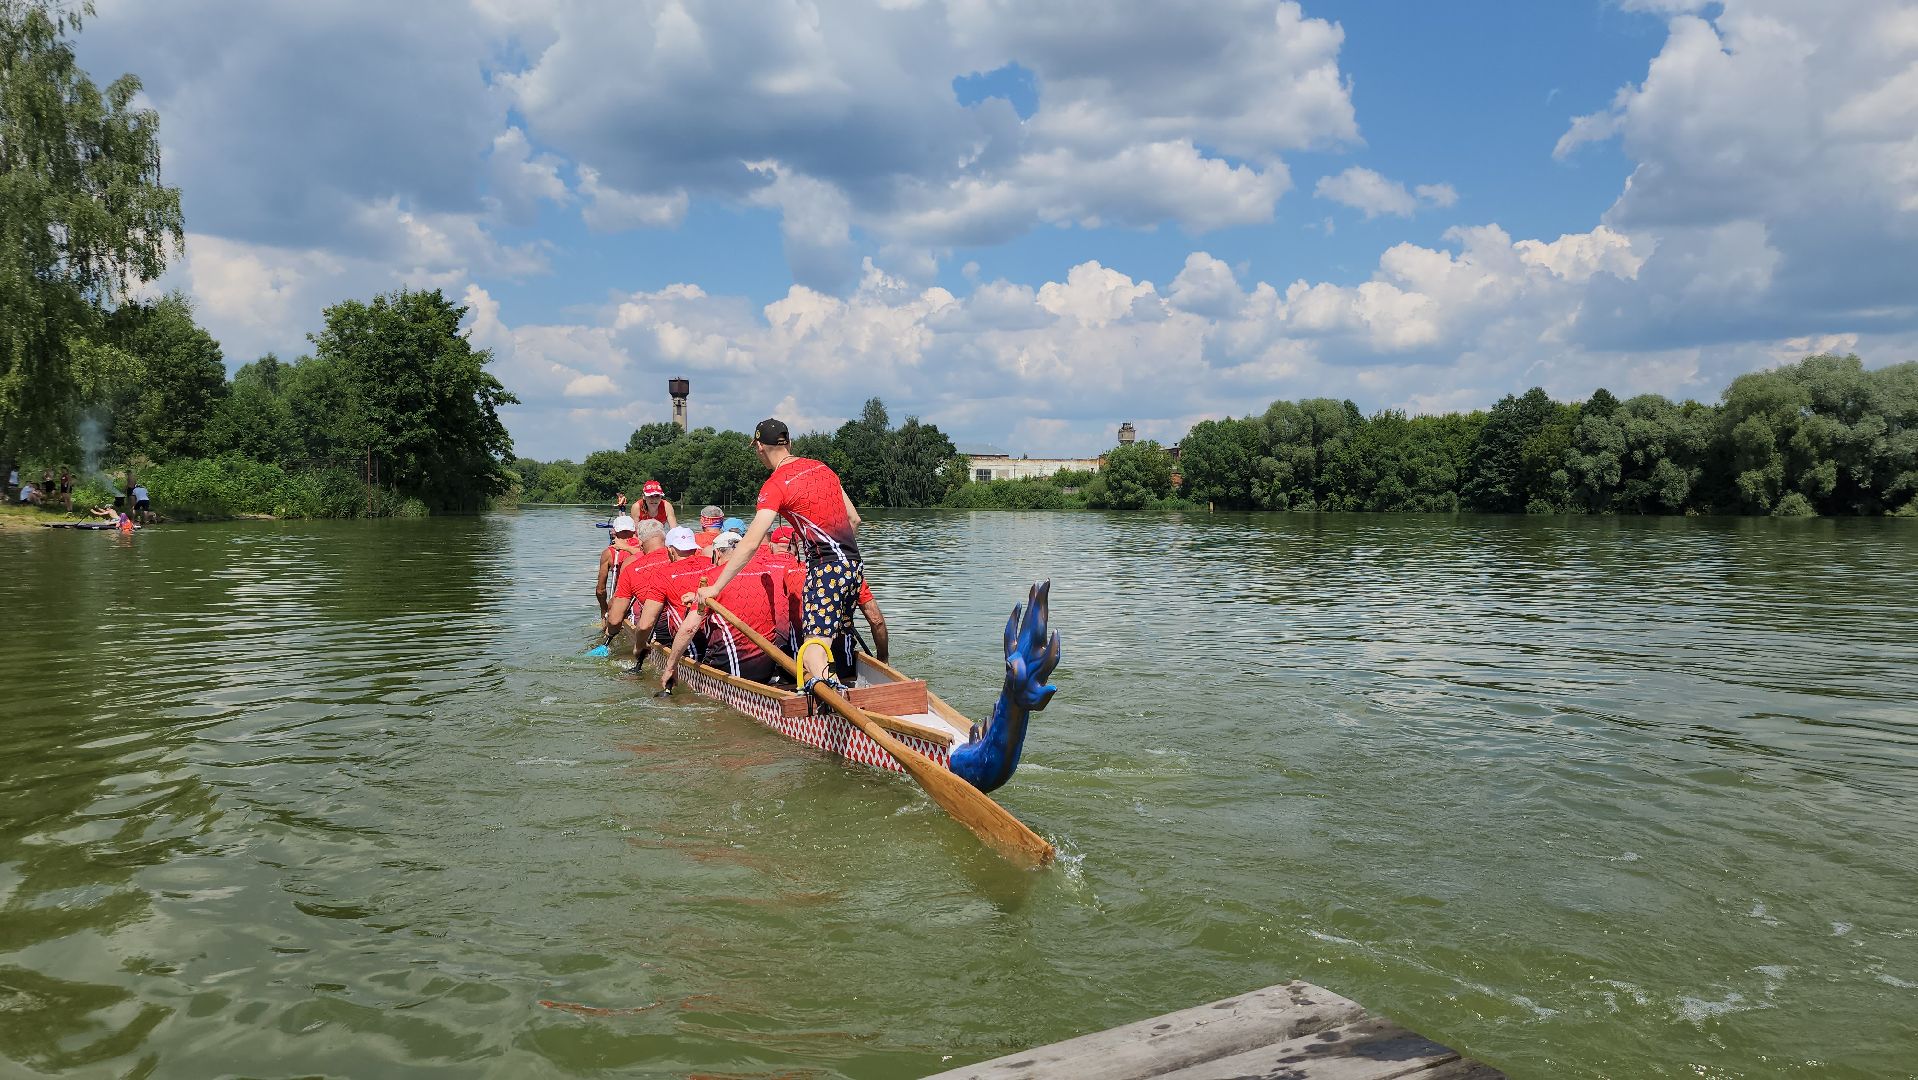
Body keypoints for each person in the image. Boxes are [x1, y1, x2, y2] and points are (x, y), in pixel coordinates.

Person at [696, 418, 864, 691]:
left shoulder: (776, 485)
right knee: (830, 640)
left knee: (812, 649)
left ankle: (836, 711)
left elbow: (750, 543)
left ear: (760, 447)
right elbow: (854, 519)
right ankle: (840, 689)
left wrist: (715, 587)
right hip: (853, 567)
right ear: (789, 443)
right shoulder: (823, 468)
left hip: (826, 568)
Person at [660, 555, 785, 687]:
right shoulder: (767, 571)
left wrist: (671, 666)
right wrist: (696, 597)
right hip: (768, 667)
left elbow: (689, 628)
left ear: (717, 554)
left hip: (734, 669)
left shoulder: (712, 577)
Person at [602, 525, 709, 669]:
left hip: (669, 632)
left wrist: (634, 643)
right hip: (711, 634)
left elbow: (616, 620)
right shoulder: (712, 564)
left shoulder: (636, 569)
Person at [594, 515, 644, 617]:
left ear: (614, 532)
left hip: (621, 599)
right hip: (644, 598)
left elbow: (600, 590)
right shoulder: (645, 546)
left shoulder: (609, 553)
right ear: (634, 530)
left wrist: (604, 610)